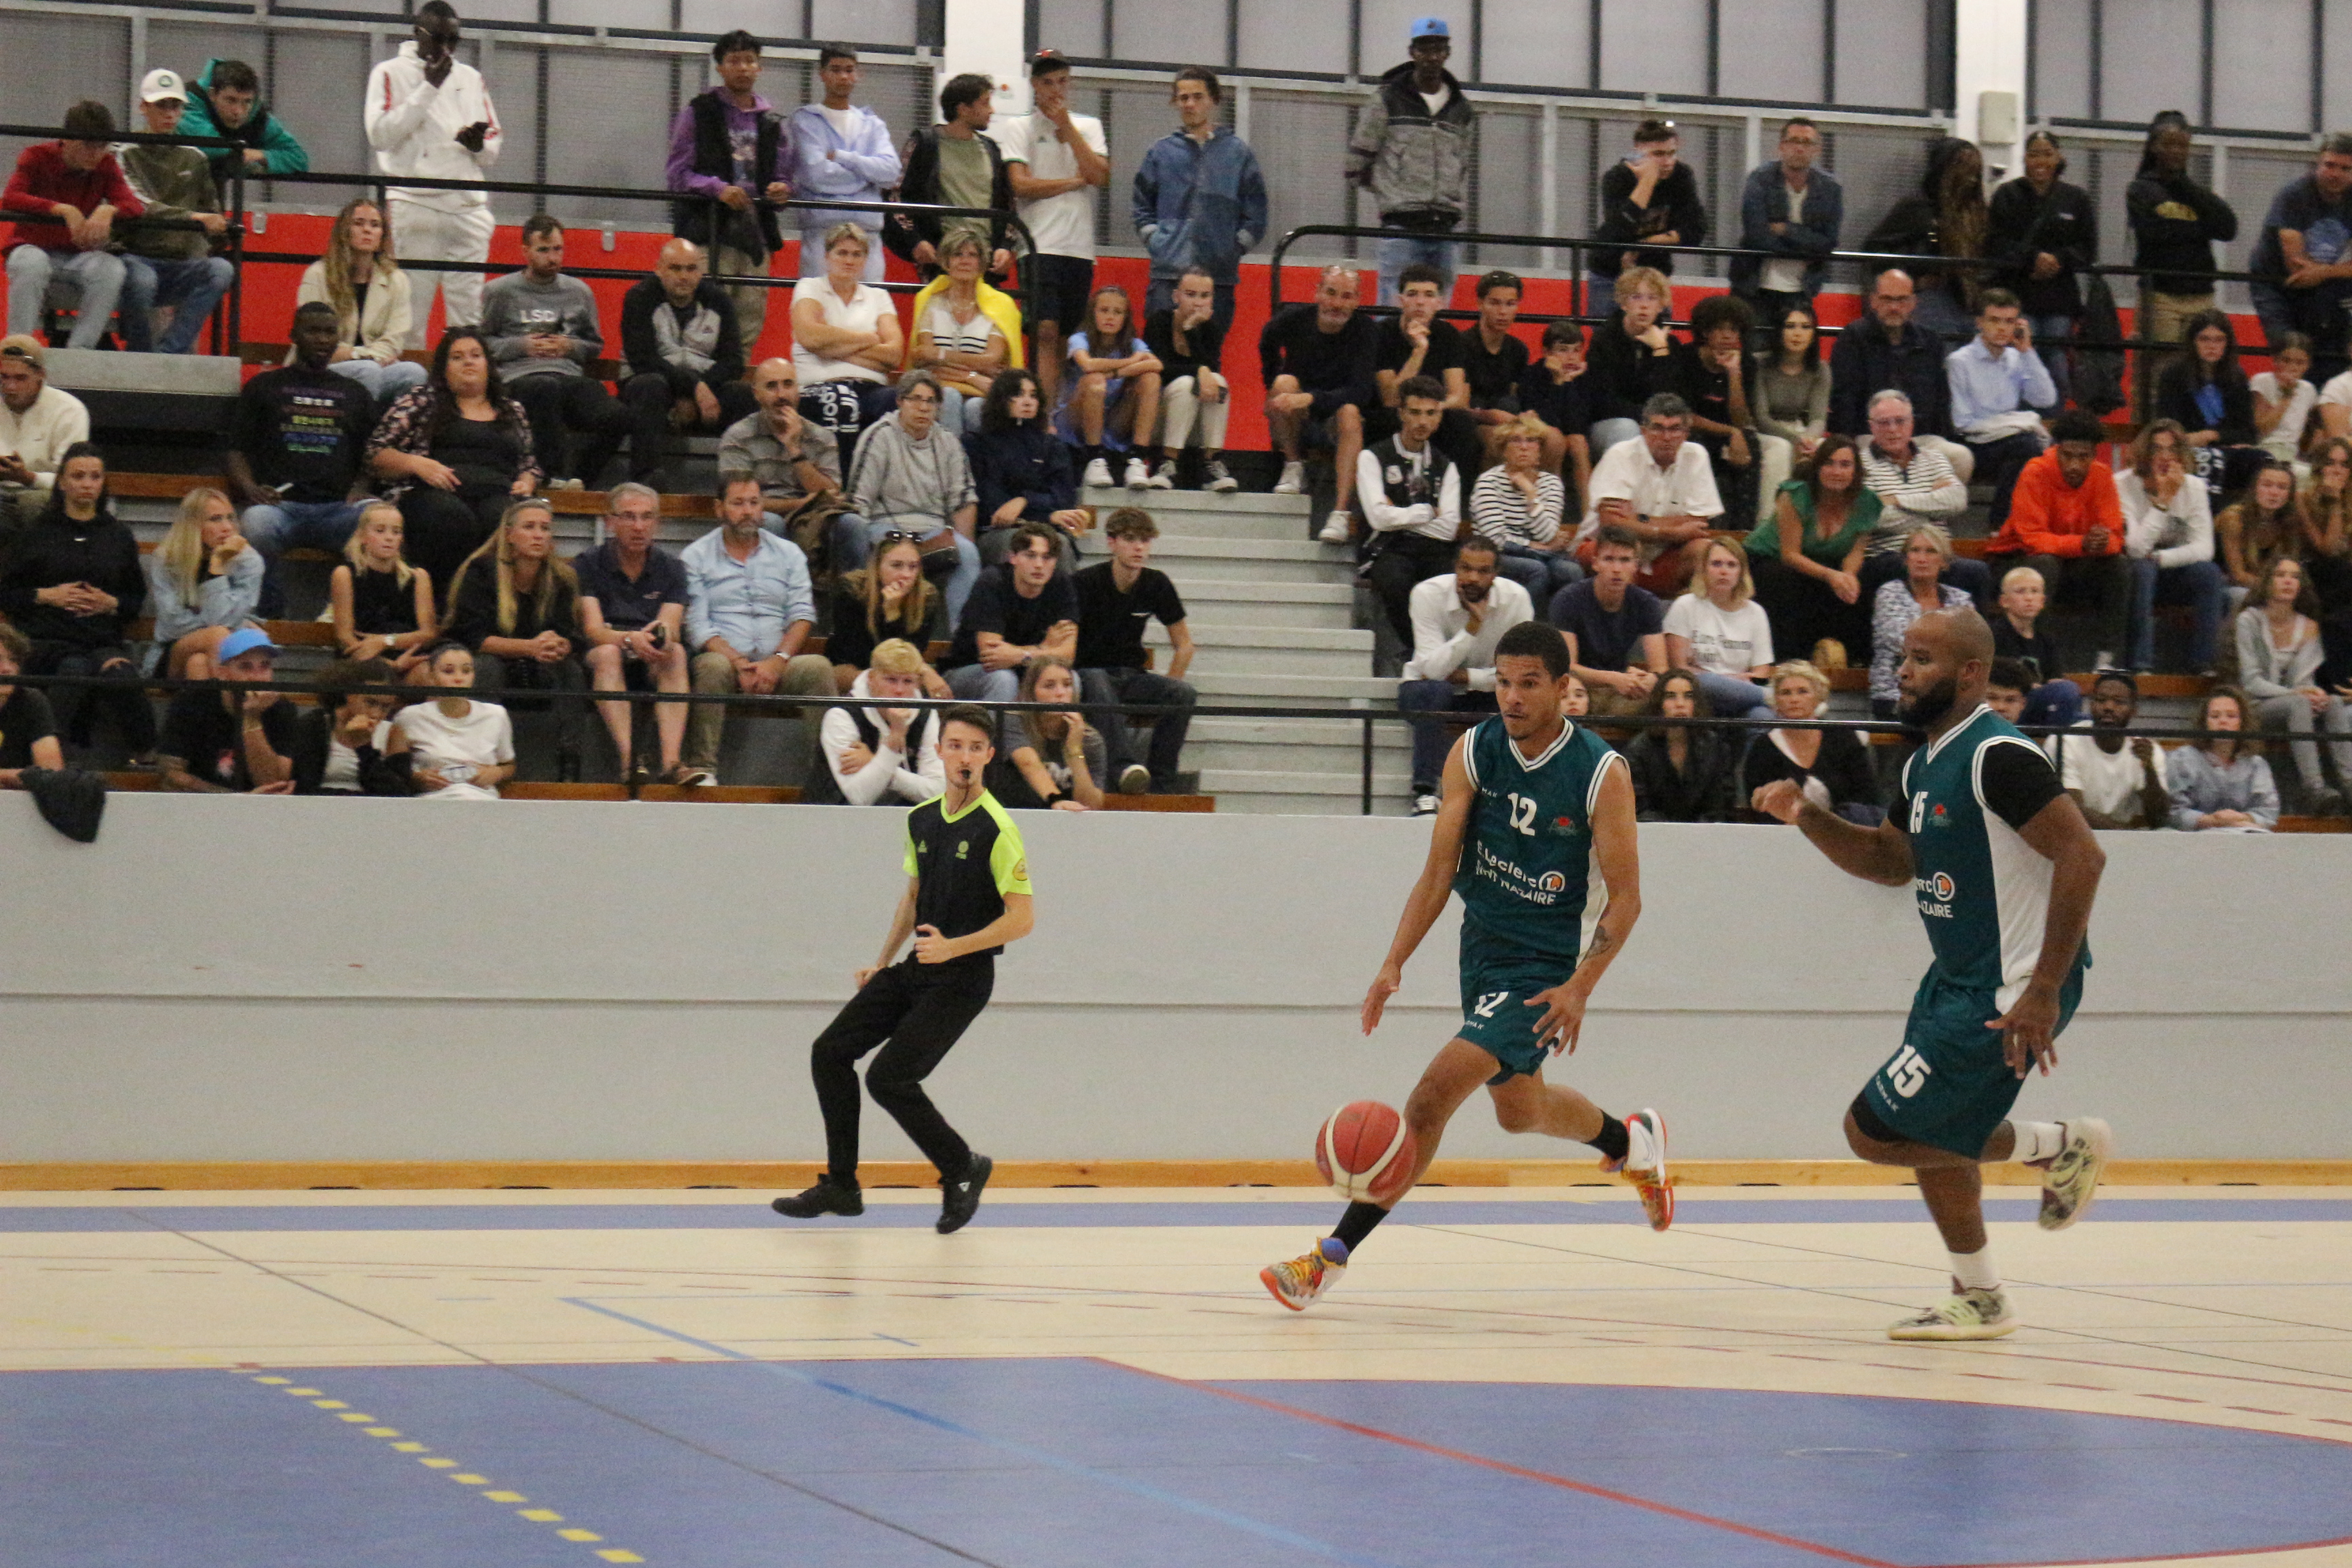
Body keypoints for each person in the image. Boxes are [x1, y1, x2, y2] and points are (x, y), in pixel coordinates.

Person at [1260, 620, 1670, 1311]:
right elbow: (1438, 872)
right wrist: (1393, 962)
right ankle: (1632, 1143)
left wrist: (1580, 986)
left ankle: (1327, 1259)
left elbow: (1627, 899)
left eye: (1529, 684)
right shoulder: (1474, 752)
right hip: (1481, 947)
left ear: (1563, 688)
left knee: (1430, 1099)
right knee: (1521, 1111)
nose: (1512, 697)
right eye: (1503, 683)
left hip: (1544, 963)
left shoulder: (1602, 773)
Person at [1752, 606, 2111, 1341]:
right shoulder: (1923, 764)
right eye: (1904, 658)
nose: (1904, 673)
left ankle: (2057, 1144)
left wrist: (2043, 989)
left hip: (2010, 987)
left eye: (1922, 660)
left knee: (1875, 1131)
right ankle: (1979, 1295)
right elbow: (1890, 862)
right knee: (1930, 1132)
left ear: (1971, 673)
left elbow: (2084, 855)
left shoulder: (1997, 757)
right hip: (1954, 978)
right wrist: (1806, 814)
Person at [770, 702, 1028, 1230]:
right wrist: (882, 962)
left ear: (988, 756)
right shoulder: (921, 818)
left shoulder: (998, 828)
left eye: (975, 748)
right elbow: (912, 897)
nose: (964, 757)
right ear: (939, 751)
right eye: (955, 746)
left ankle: (962, 1168)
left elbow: (1022, 919)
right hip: (917, 968)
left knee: (889, 1079)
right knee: (830, 1053)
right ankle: (841, 1186)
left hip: (963, 979)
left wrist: (956, 948)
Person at [0, 444, 154, 760]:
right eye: (78, 476)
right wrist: (47, 596)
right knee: (75, 669)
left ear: (103, 483)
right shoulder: (37, 533)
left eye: (95, 477)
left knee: (121, 673)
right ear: (62, 482)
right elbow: (7, 593)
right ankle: (46, 755)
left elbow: (134, 600)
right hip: (46, 639)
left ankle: (148, 758)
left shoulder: (118, 535)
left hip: (100, 640)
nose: (87, 484)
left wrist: (111, 603)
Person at [681, 474, 835, 785]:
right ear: (719, 509)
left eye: (754, 503)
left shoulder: (789, 554)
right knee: (711, 666)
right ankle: (704, 769)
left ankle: (827, 777)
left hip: (778, 662)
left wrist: (777, 661)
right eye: (738, 503)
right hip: (725, 662)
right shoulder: (695, 557)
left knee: (818, 668)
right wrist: (739, 662)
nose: (748, 511)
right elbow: (698, 627)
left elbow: (802, 615)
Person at [365, 1, 501, 348]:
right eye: (439, 39)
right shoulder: (388, 72)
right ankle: (413, 381)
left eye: (453, 40)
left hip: (468, 207)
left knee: (467, 321)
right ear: (417, 34)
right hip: (415, 204)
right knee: (410, 318)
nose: (446, 49)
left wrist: (478, 146)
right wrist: (428, 88)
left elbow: (493, 147)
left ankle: (461, 382)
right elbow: (380, 135)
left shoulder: (471, 78)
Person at [365, 327, 540, 595]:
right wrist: (416, 464)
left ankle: (490, 608)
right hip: (432, 494)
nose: (468, 362)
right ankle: (439, 604)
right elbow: (375, 453)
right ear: (444, 369)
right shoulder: (421, 401)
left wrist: (527, 481)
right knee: (452, 519)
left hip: (497, 494)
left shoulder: (513, 410)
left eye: (476, 355)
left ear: (488, 364)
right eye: (457, 357)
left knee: (504, 520)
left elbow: (529, 464)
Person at [230, 302, 376, 612]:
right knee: (255, 523)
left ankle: (352, 615)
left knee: (380, 521)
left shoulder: (356, 393)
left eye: (330, 332)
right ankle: (267, 613)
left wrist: (361, 487)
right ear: (293, 335)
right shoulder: (264, 387)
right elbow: (235, 448)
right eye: (313, 331)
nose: (322, 339)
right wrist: (250, 488)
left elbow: (372, 452)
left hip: (339, 509)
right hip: (279, 508)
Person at [480, 215, 627, 489]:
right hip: (520, 378)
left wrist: (568, 346)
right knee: (544, 388)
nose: (553, 258)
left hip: (567, 376)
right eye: (544, 250)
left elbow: (594, 345)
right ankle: (551, 477)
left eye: (558, 249)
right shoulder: (500, 291)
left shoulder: (579, 292)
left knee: (617, 415)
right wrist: (521, 346)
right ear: (525, 251)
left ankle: (579, 480)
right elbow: (483, 344)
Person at [444, 497, 586, 780]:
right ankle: (483, 756)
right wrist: (529, 647)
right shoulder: (481, 571)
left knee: (571, 671)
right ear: (509, 534)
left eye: (545, 528)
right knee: (486, 668)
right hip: (491, 657)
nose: (538, 535)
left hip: (538, 662)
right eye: (529, 527)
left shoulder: (562, 577)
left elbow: (572, 633)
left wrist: (561, 645)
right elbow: (473, 637)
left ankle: (570, 763)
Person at [666, 30, 790, 348]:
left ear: (760, 67)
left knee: (748, 321)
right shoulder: (699, 112)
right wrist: (717, 189)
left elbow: (784, 176)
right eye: (734, 61)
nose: (743, 68)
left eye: (750, 60)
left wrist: (782, 189)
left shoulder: (772, 122)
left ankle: (737, 379)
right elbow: (677, 174)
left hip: (756, 234)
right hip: (709, 232)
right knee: (702, 320)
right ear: (720, 67)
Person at [998, 50, 1108, 407]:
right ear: (1034, 85)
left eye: (1062, 82)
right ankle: (1042, 416)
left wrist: (1068, 129)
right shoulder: (1019, 127)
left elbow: (1100, 176)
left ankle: (1052, 412)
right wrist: (1073, 181)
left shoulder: (1089, 126)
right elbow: (1020, 185)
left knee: (1066, 336)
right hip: (1037, 244)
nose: (1055, 90)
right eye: (1047, 82)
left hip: (1078, 247)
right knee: (1044, 331)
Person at [1397, 536, 1533, 815]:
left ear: (1495, 574)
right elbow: (1433, 672)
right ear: (1455, 568)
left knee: (1525, 695)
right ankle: (1425, 792)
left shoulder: (1517, 599)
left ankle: (1512, 794)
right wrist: (1472, 627)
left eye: (1483, 571)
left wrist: (1467, 677)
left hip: (1488, 692)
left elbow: (1520, 672)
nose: (1473, 578)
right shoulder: (1427, 594)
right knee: (1434, 691)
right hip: (1424, 690)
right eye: (1466, 568)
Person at [574, 482, 697, 787]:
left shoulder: (672, 568)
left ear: (657, 523)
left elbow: (669, 626)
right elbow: (593, 630)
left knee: (676, 653)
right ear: (610, 522)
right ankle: (630, 761)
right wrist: (629, 639)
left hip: (650, 652)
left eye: (647, 517)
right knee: (608, 654)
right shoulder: (587, 564)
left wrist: (656, 638)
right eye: (629, 517)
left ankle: (671, 764)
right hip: (605, 651)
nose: (639, 526)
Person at [1345, 16, 1474, 306]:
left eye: (1438, 49)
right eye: (1424, 49)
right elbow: (1356, 164)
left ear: (1447, 53)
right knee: (1392, 310)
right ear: (1412, 52)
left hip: (1446, 227)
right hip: (1401, 227)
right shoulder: (1387, 101)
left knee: (1439, 313)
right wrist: (1393, 191)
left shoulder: (1462, 110)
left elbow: (1462, 165)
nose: (1432, 57)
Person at [1984, 410, 2129, 666]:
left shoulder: (2102, 475)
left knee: (2119, 565)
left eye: (2083, 457)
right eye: (2068, 455)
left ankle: (2108, 659)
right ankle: (2041, 656)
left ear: (2094, 455)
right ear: (2056, 449)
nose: (2074, 465)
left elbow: (2116, 537)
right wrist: (2082, 543)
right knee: (2045, 564)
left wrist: (2103, 542)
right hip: (2016, 560)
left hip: (2071, 563)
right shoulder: (2035, 471)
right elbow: (2032, 539)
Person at [1132, 66, 1266, 342]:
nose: (1189, 104)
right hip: (1168, 276)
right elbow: (1141, 205)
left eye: (1197, 97)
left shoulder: (1238, 154)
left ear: (1213, 100)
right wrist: (1157, 241)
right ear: (1175, 102)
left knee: (1208, 353)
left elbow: (1256, 211)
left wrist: (1232, 249)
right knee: (1160, 350)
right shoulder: (1161, 152)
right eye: (1183, 98)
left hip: (1218, 278)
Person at [1073, 506, 1194, 796]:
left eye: (1145, 540)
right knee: (1097, 681)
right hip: (1087, 674)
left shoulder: (1156, 583)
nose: (1139, 547)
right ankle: (1124, 769)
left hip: (1131, 676)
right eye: (1130, 539)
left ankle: (1162, 784)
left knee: (1182, 694)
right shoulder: (1084, 582)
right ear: (1111, 543)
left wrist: (1172, 682)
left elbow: (1185, 645)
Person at [116, 70, 235, 357]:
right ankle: (142, 356)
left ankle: (168, 354)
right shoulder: (124, 152)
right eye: (162, 105)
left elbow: (211, 209)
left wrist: (218, 233)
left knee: (222, 269)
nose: (170, 113)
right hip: (134, 256)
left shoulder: (195, 157)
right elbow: (137, 204)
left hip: (181, 262)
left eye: (176, 106)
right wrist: (195, 218)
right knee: (142, 280)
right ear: (144, 107)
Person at [3, 101, 140, 350]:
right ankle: (18, 350)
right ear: (66, 139)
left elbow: (133, 205)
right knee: (30, 263)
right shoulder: (36, 156)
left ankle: (80, 352)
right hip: (33, 248)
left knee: (111, 269)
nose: (95, 153)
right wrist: (61, 209)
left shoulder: (106, 165)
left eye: (102, 146)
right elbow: (11, 197)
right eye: (88, 145)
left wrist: (109, 209)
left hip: (78, 256)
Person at [2127, 112, 2238, 419]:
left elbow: (2228, 228)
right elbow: (2154, 235)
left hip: (2201, 294)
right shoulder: (2141, 189)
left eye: (2183, 145)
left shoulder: (2194, 190)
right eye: (2169, 144)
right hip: (2161, 296)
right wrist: (2199, 227)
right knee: (2157, 375)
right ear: (2154, 146)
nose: (2176, 151)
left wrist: (2185, 191)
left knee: (2201, 375)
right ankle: (2148, 436)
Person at [620, 238, 755, 488]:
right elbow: (643, 360)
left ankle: (739, 487)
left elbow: (733, 361)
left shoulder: (719, 300)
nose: (684, 276)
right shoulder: (639, 298)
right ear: (658, 269)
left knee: (744, 394)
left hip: (706, 392)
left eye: (691, 269)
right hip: (652, 388)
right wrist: (695, 387)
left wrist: (701, 392)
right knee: (648, 385)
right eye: (675, 268)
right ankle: (646, 483)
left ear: (701, 271)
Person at [849, 370, 982, 621]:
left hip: (934, 529)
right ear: (900, 401)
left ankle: (961, 637)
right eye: (916, 399)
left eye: (930, 401)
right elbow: (859, 501)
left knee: (968, 553)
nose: (923, 408)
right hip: (885, 528)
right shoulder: (879, 436)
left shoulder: (948, 442)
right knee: (895, 554)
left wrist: (960, 540)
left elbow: (963, 500)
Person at [1258, 264, 1376, 534]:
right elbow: (1267, 342)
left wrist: (1310, 399)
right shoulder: (1293, 319)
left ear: (1357, 301)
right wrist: (1271, 385)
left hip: (1338, 410)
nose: (1337, 303)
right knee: (1283, 384)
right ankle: (1293, 465)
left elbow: (1360, 392)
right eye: (1331, 293)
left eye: (1346, 296)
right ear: (1318, 293)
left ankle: (1340, 512)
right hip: (1299, 409)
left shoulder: (1366, 330)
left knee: (1350, 413)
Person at [1571, 392, 1720, 598]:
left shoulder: (1697, 455)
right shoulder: (1621, 454)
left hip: (1663, 555)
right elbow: (1612, 525)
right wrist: (1672, 531)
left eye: (1675, 429)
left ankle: (1686, 613)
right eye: (1658, 428)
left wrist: (1637, 519)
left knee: (1705, 550)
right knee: (1618, 552)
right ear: (1643, 431)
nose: (1666, 437)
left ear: (1686, 433)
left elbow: (1699, 524)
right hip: (1609, 549)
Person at [1747, 431, 1877, 666]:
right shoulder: (1795, 495)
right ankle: (1787, 662)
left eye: (1845, 465)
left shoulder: (1867, 502)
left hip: (1820, 561)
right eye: (1829, 463)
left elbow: (1856, 552)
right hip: (1768, 559)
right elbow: (1790, 555)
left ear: (1856, 471)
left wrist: (1848, 576)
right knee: (1786, 580)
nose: (1837, 471)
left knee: (1860, 584)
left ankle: (1851, 662)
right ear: (1818, 468)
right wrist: (1832, 576)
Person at [1987, 131, 2096, 406]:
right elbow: (1995, 242)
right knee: (2019, 359)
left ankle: (2054, 422)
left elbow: (2088, 248)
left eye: (2047, 154)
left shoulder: (2076, 199)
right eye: (2034, 154)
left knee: (2056, 361)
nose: (2041, 161)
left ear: (2058, 158)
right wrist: (2032, 259)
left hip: (2059, 298)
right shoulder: (2007, 195)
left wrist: (2059, 260)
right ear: (2024, 158)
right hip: (2018, 294)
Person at [1855, 389, 1991, 607]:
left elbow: (1957, 501)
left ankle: (1973, 631)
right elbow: (1876, 518)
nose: (1893, 429)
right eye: (1884, 423)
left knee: (1977, 571)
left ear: (1912, 424)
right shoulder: (1859, 466)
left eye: (1900, 421)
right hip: (1889, 556)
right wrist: (1932, 505)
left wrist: (1896, 500)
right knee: (1902, 565)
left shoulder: (1935, 458)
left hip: (1938, 556)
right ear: (1871, 426)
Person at [2236, 555, 2351, 813]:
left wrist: (2315, 694)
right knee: (2299, 703)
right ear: (2267, 581)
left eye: (2295, 577)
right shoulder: (2249, 621)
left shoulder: (2309, 626)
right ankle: (2314, 789)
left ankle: (2349, 784)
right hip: (2257, 705)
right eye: (2281, 575)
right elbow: (2251, 682)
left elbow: (2304, 680)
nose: (2288, 581)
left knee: (2333, 702)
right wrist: (2297, 694)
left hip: (2295, 704)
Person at [1360, 376, 1466, 649]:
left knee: (1454, 585)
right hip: (1388, 547)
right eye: (1415, 412)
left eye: (1431, 413)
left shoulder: (1446, 466)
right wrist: (1429, 511)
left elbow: (1449, 528)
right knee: (1394, 581)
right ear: (1401, 413)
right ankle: (1419, 650)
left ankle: (1442, 652)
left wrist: (1398, 514)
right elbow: (1378, 519)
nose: (1423, 421)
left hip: (1436, 548)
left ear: (1439, 416)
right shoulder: (1373, 457)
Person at [1827, 271, 1971, 463]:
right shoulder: (1853, 339)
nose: (1894, 307)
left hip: (1920, 438)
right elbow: (1844, 399)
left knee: (1961, 457)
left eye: (1901, 300)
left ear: (1913, 303)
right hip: (1869, 437)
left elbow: (1941, 400)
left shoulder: (1930, 341)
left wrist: (1939, 437)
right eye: (1887, 299)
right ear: (1874, 301)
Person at [2116, 419, 2224, 675]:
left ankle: (2203, 664)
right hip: (2134, 574)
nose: (2165, 457)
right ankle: (2141, 664)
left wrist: (2160, 558)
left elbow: (2204, 548)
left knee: (2209, 573)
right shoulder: (2122, 484)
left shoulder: (2194, 487)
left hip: (2172, 570)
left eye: (2172, 449)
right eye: (2157, 449)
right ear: (2144, 453)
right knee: (2142, 569)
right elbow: (2135, 549)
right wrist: (2163, 501)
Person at [295, 197, 428, 404]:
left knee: (414, 372)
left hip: (375, 366)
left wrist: (365, 356)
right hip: (323, 368)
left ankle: (392, 425)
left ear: (382, 234)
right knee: (367, 370)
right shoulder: (318, 274)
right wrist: (362, 356)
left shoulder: (397, 280)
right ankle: (364, 424)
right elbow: (312, 339)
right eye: (359, 223)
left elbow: (394, 340)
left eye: (375, 225)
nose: (367, 230)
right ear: (344, 231)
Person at [718, 357, 855, 558]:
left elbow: (830, 496)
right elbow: (738, 502)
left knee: (852, 524)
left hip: (813, 517)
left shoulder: (822, 437)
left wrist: (794, 450)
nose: (781, 395)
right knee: (772, 523)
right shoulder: (738, 437)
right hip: (762, 516)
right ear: (756, 394)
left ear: (798, 390)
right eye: (771, 386)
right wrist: (800, 505)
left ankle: (854, 579)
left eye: (788, 385)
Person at [786, 44, 900, 284]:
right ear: (822, 74)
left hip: (868, 236)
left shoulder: (872, 123)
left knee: (868, 304)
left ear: (858, 74)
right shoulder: (805, 120)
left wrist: (842, 158)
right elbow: (817, 176)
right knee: (819, 304)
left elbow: (891, 172)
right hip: (822, 236)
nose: (843, 77)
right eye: (836, 70)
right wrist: (868, 177)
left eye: (849, 70)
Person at [1865, 138, 1989, 350]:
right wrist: (1912, 280)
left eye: (1974, 172)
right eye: (1962, 169)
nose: (1969, 179)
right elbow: (1875, 249)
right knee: (1943, 350)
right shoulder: (1918, 209)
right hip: (1932, 296)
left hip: (1971, 299)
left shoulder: (1979, 215)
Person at [889, 73, 1015, 279]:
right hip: (941, 258)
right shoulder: (925, 142)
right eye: (985, 103)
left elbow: (1006, 204)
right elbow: (897, 196)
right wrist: (915, 241)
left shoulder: (991, 149)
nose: (992, 110)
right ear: (963, 109)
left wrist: (1004, 246)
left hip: (985, 260)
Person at [1947, 289, 2055, 528]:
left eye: (2009, 321)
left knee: (2046, 450)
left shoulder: (2017, 358)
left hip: (2010, 440)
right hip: (1973, 443)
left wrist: (2027, 351)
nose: (2002, 328)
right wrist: (2016, 423)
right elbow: (1963, 423)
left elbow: (2046, 399)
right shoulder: (1960, 362)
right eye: (1995, 320)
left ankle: (2035, 525)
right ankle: (2001, 525)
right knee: (2027, 445)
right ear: (1980, 323)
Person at [789, 222, 902, 448]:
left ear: (865, 260)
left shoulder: (879, 296)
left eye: (857, 254)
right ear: (827, 256)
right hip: (820, 385)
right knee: (841, 403)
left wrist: (828, 348)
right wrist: (869, 339)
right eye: (842, 253)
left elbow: (894, 355)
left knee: (897, 401)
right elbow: (810, 336)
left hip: (871, 387)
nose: (849, 260)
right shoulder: (809, 287)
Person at [2249, 135, 2352, 379]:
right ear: (2318, 163)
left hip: (2324, 281)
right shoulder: (2294, 195)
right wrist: (2337, 271)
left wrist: (2324, 272)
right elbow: (2297, 268)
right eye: (2330, 165)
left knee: (2331, 361)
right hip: (2276, 284)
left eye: (2345, 168)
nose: (2335, 174)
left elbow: (2312, 273)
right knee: (2290, 351)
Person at [940, 522, 1077, 704]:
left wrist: (1021, 656)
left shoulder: (1061, 584)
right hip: (970, 670)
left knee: (1071, 679)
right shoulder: (993, 581)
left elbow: (1067, 655)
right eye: (1030, 556)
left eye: (1047, 557)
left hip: (1027, 671)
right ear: (1013, 557)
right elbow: (991, 655)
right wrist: (1044, 649)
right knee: (1004, 679)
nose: (1039, 565)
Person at [964, 367, 1084, 571]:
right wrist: (1046, 514)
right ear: (1001, 399)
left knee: (1060, 545)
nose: (1028, 402)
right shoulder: (978, 444)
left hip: (1048, 530)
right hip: (996, 533)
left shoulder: (1052, 446)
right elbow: (995, 508)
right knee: (1023, 546)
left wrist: (1025, 500)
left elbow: (1064, 499)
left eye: (1033, 395)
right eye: (1018, 395)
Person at [1588, 118, 1707, 321]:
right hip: (1610, 272)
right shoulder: (1618, 177)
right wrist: (1648, 180)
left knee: (1658, 332)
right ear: (1638, 151)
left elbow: (1696, 229)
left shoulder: (1681, 175)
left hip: (1655, 271)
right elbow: (1620, 228)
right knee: (1607, 332)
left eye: (1672, 153)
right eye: (1658, 154)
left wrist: (1642, 244)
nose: (1667, 162)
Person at [807, 636, 945, 806]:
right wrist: (894, 740)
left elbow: (938, 792)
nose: (899, 690)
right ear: (871, 679)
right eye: (891, 680)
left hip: (904, 817)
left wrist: (874, 762)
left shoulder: (926, 715)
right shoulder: (841, 716)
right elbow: (859, 798)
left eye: (908, 681)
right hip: (833, 817)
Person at [1731, 117, 1842, 325]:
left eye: (1807, 142)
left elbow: (1828, 241)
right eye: (1793, 141)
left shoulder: (1831, 188)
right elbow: (1757, 236)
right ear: (1781, 146)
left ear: (1817, 150)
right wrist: (1807, 246)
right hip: (1754, 286)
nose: (1799, 148)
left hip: (1802, 289)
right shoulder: (1760, 179)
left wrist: (1786, 229)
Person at [155, 626, 295, 794]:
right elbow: (172, 777)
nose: (258, 677)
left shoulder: (281, 708)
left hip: (260, 806)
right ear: (222, 673)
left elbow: (273, 784)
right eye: (245, 667)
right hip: (200, 805)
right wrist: (235, 799)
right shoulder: (192, 701)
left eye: (265, 666)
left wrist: (252, 718)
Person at [905, 231, 1018, 437]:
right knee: (950, 398)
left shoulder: (1001, 305)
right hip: (942, 389)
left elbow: (993, 360)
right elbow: (924, 359)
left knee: (976, 408)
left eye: (972, 255)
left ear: (982, 263)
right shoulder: (929, 301)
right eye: (958, 254)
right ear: (946, 261)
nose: (965, 261)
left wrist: (940, 355)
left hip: (982, 393)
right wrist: (973, 375)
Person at [1678, 293, 1776, 527]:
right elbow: (1684, 416)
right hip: (1695, 431)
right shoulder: (1685, 358)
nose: (1727, 336)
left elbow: (1741, 419)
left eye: (1733, 330)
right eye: (1720, 329)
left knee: (1751, 444)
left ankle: (1744, 530)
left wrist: (1734, 373)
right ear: (1705, 332)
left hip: (1729, 433)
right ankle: (1706, 525)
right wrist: (1732, 432)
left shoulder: (1746, 363)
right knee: (1698, 444)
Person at [144, 487, 261, 683]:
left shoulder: (248, 561)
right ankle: (231, 700)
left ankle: (210, 703)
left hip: (229, 652)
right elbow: (172, 625)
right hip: (174, 650)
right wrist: (236, 623)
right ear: (193, 524)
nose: (227, 527)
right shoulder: (167, 560)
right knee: (217, 634)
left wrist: (218, 567)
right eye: (215, 519)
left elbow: (225, 621)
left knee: (198, 663)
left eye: (230, 518)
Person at [1549, 523, 1666, 717]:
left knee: (1671, 699)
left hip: (1622, 687)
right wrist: (1614, 679)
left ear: (1635, 565)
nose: (1617, 569)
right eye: (1609, 559)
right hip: (1579, 688)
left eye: (1625, 560)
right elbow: (1567, 668)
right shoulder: (1568, 599)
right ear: (1595, 563)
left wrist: (1649, 680)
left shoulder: (1646, 603)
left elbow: (1660, 669)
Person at [1742, 657, 1876, 819]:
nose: (1794, 699)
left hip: (1845, 828)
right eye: (1786, 693)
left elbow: (1867, 797)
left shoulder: (1844, 738)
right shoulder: (1763, 747)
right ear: (1776, 700)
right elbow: (1758, 807)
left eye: (1803, 691)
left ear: (1818, 697)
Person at [1059, 284, 1162, 491]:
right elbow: (1088, 365)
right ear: (1093, 313)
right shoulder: (1079, 339)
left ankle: (1137, 459)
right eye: (1104, 310)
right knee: (1095, 380)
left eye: (1118, 312)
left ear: (1125, 318)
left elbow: (1157, 365)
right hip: (1076, 420)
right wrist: (1131, 362)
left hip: (1114, 419)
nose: (1110, 317)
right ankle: (1094, 459)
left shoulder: (1133, 344)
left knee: (1151, 379)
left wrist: (1115, 374)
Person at [1142, 265, 1236, 491]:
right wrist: (1199, 370)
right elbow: (1160, 368)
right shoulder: (1159, 321)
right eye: (1191, 295)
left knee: (1219, 383)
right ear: (1176, 296)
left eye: (1205, 296)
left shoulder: (1211, 329)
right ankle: (1167, 463)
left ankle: (1213, 463)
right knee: (1186, 385)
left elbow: (1211, 370)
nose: (1198, 303)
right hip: (1158, 416)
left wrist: (1191, 329)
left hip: (1195, 420)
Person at [825, 533, 950, 696]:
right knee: (892, 680)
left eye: (913, 567)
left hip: (901, 673)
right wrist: (888, 617)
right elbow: (856, 653)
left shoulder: (926, 597)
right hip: (852, 668)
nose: (906, 574)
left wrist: (893, 616)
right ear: (877, 567)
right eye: (897, 566)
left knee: (929, 685)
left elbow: (910, 655)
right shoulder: (852, 591)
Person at [1665, 536, 1775, 721]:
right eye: (1716, 564)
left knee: (1762, 716)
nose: (1724, 571)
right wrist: (1728, 680)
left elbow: (1761, 672)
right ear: (1704, 569)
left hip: (1742, 697)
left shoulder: (1756, 613)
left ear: (1741, 573)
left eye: (1731, 565)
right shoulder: (1685, 606)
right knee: (1709, 682)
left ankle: (1774, 701)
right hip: (1697, 693)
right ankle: (1778, 698)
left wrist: (1734, 684)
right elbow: (1680, 669)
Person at [388, 638, 514, 800]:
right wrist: (415, 779)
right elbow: (394, 768)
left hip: (482, 800)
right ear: (432, 676)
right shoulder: (409, 716)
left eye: (466, 671)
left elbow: (508, 764)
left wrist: (498, 772)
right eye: (448, 672)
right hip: (432, 801)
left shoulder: (496, 714)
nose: (459, 678)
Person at [1583, 265, 1687, 458]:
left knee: (1680, 437)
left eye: (1652, 298)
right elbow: (1603, 400)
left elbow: (1670, 400)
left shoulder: (1670, 344)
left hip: (1655, 425)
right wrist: (1648, 419)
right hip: (1610, 423)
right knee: (1628, 430)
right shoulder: (1604, 340)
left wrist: (1660, 351)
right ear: (1624, 303)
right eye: (1636, 297)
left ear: (1661, 306)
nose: (1644, 306)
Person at [1469, 414, 1578, 599]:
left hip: (1538, 553)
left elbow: (1547, 535)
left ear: (1540, 450)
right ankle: (1523, 618)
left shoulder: (1551, 483)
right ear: (1504, 449)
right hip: (1495, 554)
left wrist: (1530, 494)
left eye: (1531, 440)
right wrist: (1536, 547)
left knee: (1570, 570)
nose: (1524, 447)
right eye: (1516, 440)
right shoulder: (1488, 482)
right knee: (1535, 570)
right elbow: (1495, 539)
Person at [2155, 308, 2261, 499]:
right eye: (2204, 339)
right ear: (2193, 342)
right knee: (2210, 461)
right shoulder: (2174, 375)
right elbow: (2167, 427)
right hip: (2185, 451)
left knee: (2263, 460)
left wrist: (2211, 435)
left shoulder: (2237, 377)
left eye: (2219, 340)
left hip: (2225, 449)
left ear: (2228, 344)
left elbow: (2249, 433)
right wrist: (2193, 439)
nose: (2212, 346)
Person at [1872, 525, 1974, 717]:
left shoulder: (1960, 599)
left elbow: (1969, 646)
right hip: (1896, 694)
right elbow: (1901, 642)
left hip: (1946, 697)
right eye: (1915, 550)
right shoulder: (1890, 593)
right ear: (1906, 559)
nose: (1922, 558)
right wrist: (1947, 647)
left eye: (1931, 551)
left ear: (1944, 561)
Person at [329, 500, 436, 680]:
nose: (389, 538)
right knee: (374, 677)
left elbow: (428, 633)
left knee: (426, 673)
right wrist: (388, 665)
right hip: (362, 657)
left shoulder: (418, 577)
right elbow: (344, 636)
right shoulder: (345, 574)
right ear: (362, 536)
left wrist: (386, 641)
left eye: (396, 532)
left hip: (405, 653)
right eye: (380, 531)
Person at [2053, 672, 2168, 831]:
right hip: (2076, 835)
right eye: (2101, 700)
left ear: (2134, 710)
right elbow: (2072, 810)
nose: (2108, 707)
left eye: (2119, 702)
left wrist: (2149, 769)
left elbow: (2159, 818)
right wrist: (2125, 834)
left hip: (2130, 838)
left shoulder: (2147, 749)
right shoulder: (2065, 741)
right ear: (2091, 705)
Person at [0, 336, 89, 540]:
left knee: (35, 504)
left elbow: (74, 479)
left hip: (42, 494)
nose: (10, 387)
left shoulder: (69, 411)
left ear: (41, 375)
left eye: (20, 378)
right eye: (3, 377)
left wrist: (27, 477)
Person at [991, 654, 1107, 811]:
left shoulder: (1089, 738)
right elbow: (1028, 764)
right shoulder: (1012, 721)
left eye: (1067, 685)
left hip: (1067, 820)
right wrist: (1057, 800)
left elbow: (1091, 805)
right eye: (1049, 686)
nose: (1060, 693)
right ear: (1032, 692)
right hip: (1014, 813)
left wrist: (1075, 751)